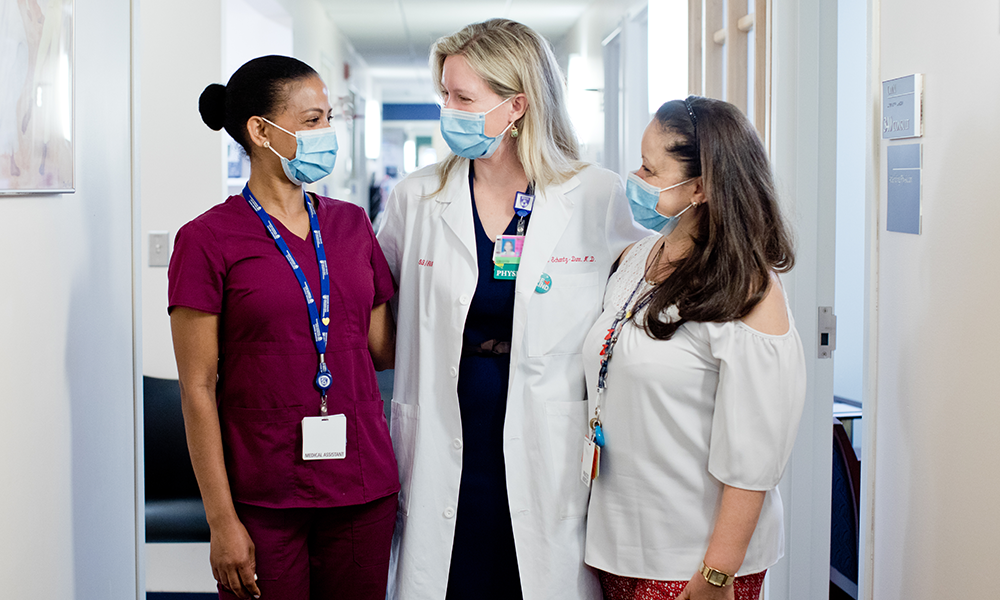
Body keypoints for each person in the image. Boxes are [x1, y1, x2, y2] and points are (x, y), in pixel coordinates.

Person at [376, 18, 647, 600]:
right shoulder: (417, 197)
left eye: (463, 98)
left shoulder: (593, 193)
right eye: (443, 95)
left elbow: (636, 307)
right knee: (451, 577)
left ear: (517, 105)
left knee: (531, 576)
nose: (447, 109)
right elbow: (377, 304)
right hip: (445, 431)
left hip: (548, 438)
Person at [169, 55, 398, 600]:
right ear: (261, 130)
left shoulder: (351, 225)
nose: (327, 134)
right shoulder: (206, 239)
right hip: (263, 497)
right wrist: (222, 522)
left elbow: (381, 349)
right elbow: (197, 389)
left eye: (328, 119)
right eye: (313, 120)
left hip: (360, 488)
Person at [581, 96, 807, 600]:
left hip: (692, 563)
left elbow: (756, 457)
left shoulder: (748, 290)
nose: (633, 179)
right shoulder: (641, 256)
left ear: (700, 188)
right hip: (617, 546)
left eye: (649, 169)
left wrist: (716, 574)